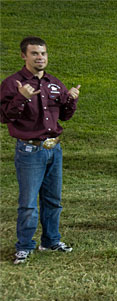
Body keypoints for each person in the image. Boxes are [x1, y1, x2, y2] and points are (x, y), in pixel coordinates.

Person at [0, 36, 81, 264]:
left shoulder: (54, 83)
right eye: (35, 53)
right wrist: (21, 98)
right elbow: (4, 116)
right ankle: (25, 246)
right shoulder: (12, 83)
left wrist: (71, 100)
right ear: (23, 56)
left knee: (53, 199)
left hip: (54, 149)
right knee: (28, 203)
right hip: (29, 151)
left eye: (43, 53)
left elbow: (64, 116)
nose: (40, 57)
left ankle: (51, 240)